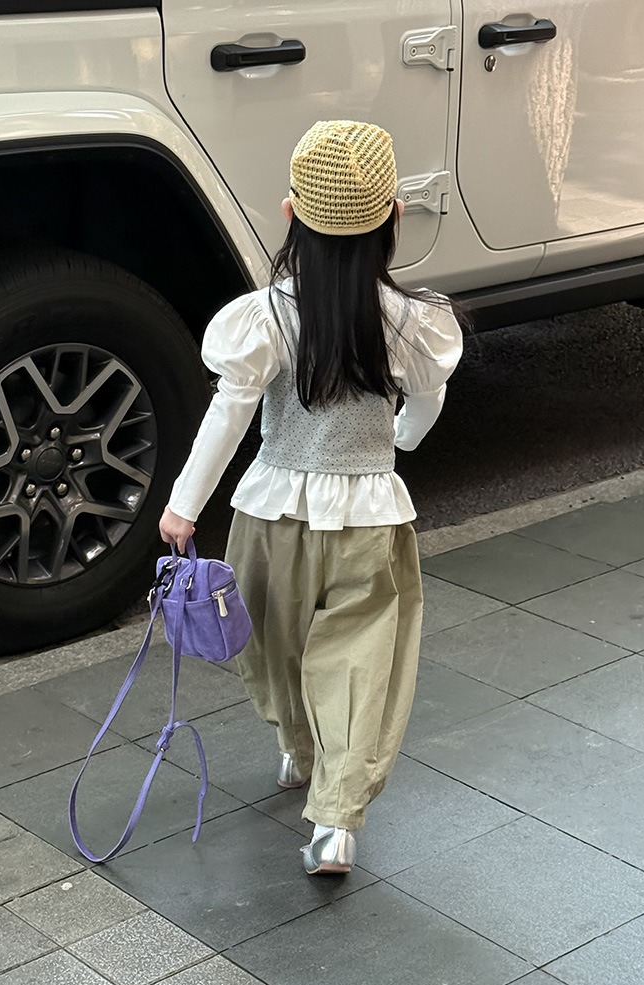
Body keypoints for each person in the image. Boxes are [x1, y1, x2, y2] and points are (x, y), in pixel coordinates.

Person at [159, 120, 463, 875]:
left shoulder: (262, 317)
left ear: (290, 214)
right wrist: (400, 437)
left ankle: (298, 750)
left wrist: (185, 505)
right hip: (370, 520)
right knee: (360, 663)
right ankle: (336, 822)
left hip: (270, 516)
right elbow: (426, 402)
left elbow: (229, 413)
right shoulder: (412, 320)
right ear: (394, 218)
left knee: (277, 648)